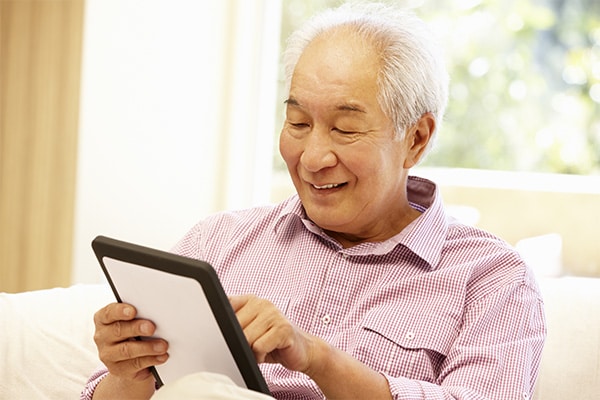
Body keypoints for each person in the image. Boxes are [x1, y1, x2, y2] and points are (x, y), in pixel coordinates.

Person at [81, 2, 546, 399]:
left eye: (345, 129)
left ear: (416, 139)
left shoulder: (490, 278)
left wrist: (318, 358)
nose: (313, 157)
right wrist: (130, 373)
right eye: (298, 123)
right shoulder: (217, 242)